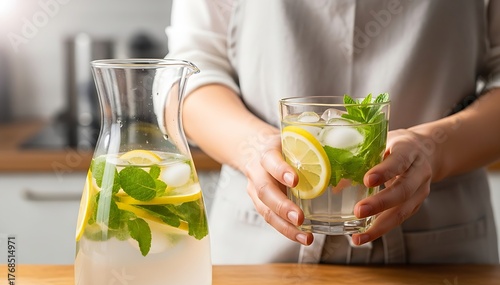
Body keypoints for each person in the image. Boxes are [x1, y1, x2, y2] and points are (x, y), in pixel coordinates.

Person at [166, 0, 500, 264]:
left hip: (443, 253)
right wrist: (253, 148)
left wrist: (433, 149)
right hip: (257, 249)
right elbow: (190, 72)